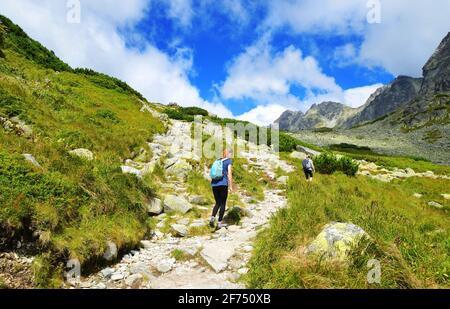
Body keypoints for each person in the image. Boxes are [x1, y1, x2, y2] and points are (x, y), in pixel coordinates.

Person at [210, 149, 234, 229]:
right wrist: (231, 186)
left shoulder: (218, 161)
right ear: (228, 154)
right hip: (223, 184)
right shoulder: (228, 161)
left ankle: (212, 217)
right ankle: (219, 223)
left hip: (214, 184)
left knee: (217, 203)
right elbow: (229, 175)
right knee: (223, 203)